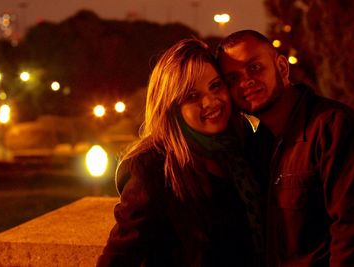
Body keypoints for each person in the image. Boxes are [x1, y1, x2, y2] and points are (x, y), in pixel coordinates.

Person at [96, 39, 263, 267]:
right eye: (192, 96)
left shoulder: (242, 147)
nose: (211, 102)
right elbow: (120, 257)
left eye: (215, 86)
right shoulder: (152, 168)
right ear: (172, 108)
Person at [216, 29, 354, 266]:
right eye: (232, 78)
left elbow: (350, 229)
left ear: (281, 67)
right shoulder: (255, 145)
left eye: (254, 67)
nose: (245, 81)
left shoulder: (332, 127)